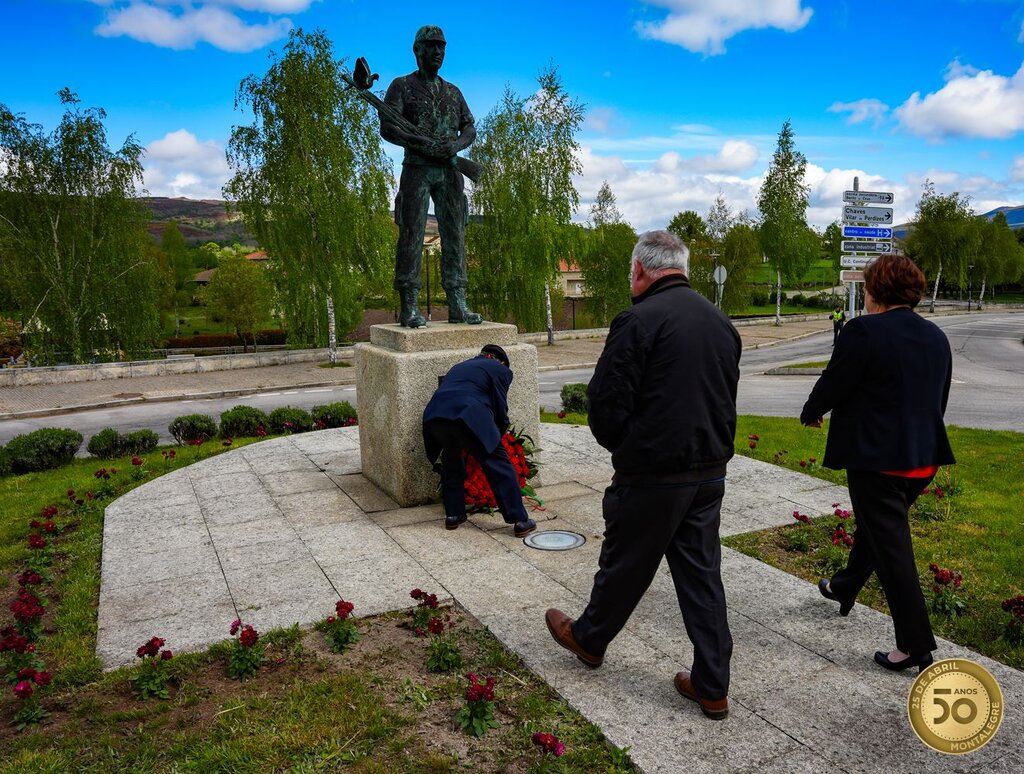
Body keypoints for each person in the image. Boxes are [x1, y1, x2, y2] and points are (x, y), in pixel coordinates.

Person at [544, 230, 741, 720]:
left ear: (640, 271)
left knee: (625, 564)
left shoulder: (638, 319)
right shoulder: (721, 322)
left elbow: (606, 401)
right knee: (702, 577)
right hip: (708, 472)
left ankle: (588, 640)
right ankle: (712, 684)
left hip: (654, 472)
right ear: (682, 268)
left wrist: (627, 447)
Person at [801, 253, 954, 674]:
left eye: (867, 287)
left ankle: (916, 646)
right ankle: (844, 587)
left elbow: (837, 379)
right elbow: (937, 401)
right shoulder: (936, 337)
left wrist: (813, 410)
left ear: (876, 291)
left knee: (894, 555)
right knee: (880, 532)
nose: (865, 294)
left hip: (878, 462)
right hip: (923, 461)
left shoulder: (863, 331)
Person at [381, 25, 482, 328]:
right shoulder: (401, 86)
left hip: (450, 171)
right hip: (417, 169)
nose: (438, 52)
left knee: (455, 234)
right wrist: (418, 143)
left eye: (442, 47)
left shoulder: (453, 91)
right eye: (432, 46)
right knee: (411, 233)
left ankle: (457, 304)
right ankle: (409, 305)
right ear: (418, 50)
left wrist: (455, 145)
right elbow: (388, 127)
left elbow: (470, 128)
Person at [422, 345, 536, 537]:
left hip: (435, 418)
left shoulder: (459, 366)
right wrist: (496, 435)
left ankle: (454, 515)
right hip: (469, 415)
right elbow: (500, 408)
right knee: (499, 464)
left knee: (451, 462)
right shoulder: (501, 370)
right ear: (501, 361)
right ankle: (520, 521)